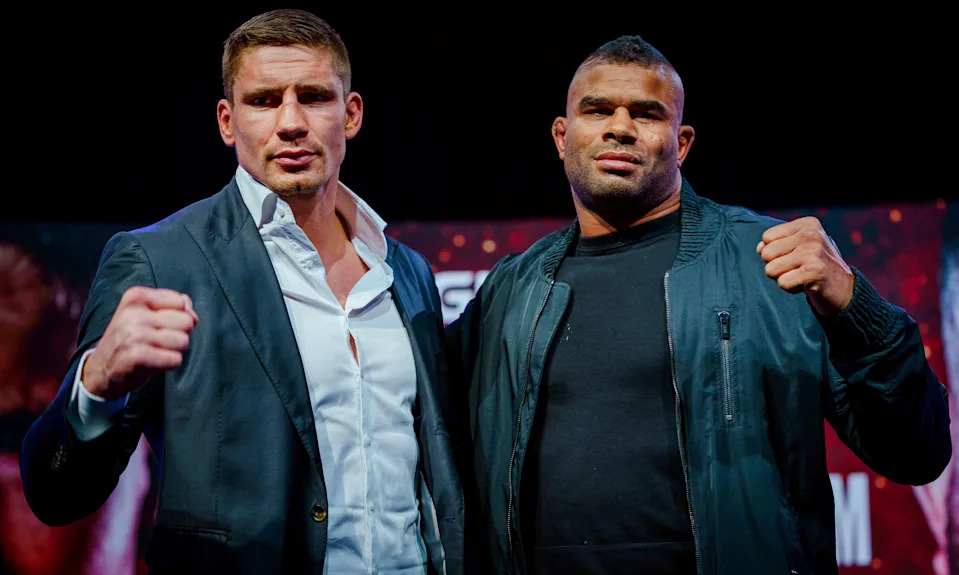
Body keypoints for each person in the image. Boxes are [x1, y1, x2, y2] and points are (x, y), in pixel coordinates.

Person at [447, 35, 951, 574]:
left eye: (646, 113)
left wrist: (858, 308)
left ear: (681, 142)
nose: (619, 126)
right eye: (598, 110)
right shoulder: (511, 290)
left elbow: (915, 451)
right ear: (562, 135)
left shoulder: (772, 262)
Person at [20, 9, 463, 575]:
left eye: (314, 96)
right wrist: (95, 389)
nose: (291, 122)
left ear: (350, 114)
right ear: (228, 123)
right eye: (263, 100)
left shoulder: (406, 270)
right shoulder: (161, 260)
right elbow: (56, 498)